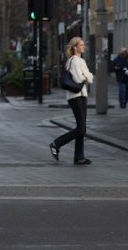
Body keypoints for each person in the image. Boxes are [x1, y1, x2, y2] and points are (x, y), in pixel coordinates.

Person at [50, 37, 94, 165]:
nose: (83, 47)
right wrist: (86, 76)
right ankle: (56, 144)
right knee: (81, 128)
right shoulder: (74, 61)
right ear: (75, 47)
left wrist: (86, 76)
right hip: (75, 97)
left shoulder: (81, 61)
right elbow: (79, 78)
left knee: (82, 128)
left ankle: (79, 157)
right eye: (81, 45)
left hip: (82, 96)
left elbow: (90, 78)